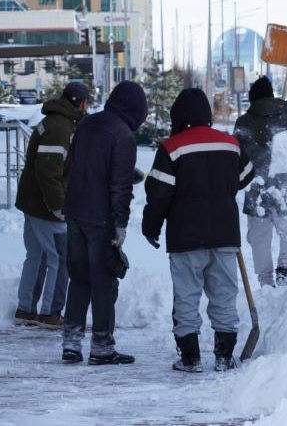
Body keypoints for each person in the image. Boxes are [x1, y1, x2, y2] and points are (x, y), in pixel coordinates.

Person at [142, 88, 255, 372]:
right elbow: (246, 175)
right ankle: (224, 356)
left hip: (185, 236)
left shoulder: (172, 147)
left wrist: (151, 227)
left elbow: (159, 194)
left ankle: (190, 358)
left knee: (187, 296)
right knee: (224, 295)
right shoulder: (231, 144)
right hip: (225, 234)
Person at [61, 80, 147, 365]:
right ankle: (102, 347)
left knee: (79, 278)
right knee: (104, 282)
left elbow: (75, 165)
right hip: (100, 218)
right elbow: (120, 186)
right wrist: (120, 223)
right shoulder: (123, 136)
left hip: (74, 212)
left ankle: (71, 343)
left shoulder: (87, 124)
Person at [13, 82, 91, 329]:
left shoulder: (56, 121)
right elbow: (48, 170)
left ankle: (26, 309)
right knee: (60, 258)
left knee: (36, 256)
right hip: (45, 206)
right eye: (87, 102)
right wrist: (58, 206)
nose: (87, 107)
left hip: (33, 202)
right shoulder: (60, 127)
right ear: (79, 102)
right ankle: (51, 313)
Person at [233, 76, 287, 287]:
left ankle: (265, 280)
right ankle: (285, 271)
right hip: (286, 187)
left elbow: (235, 156)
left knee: (260, 238)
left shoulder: (243, 122)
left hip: (255, 189)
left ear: (252, 98)